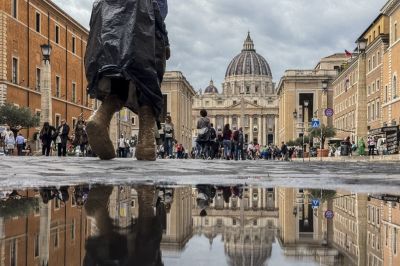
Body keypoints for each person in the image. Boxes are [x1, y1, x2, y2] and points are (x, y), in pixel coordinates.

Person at [85, 0, 170, 161]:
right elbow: (157, 10)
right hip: (145, 22)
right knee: (148, 80)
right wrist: (165, 40)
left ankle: (100, 117)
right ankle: (146, 141)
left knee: (119, 77)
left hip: (111, 24)